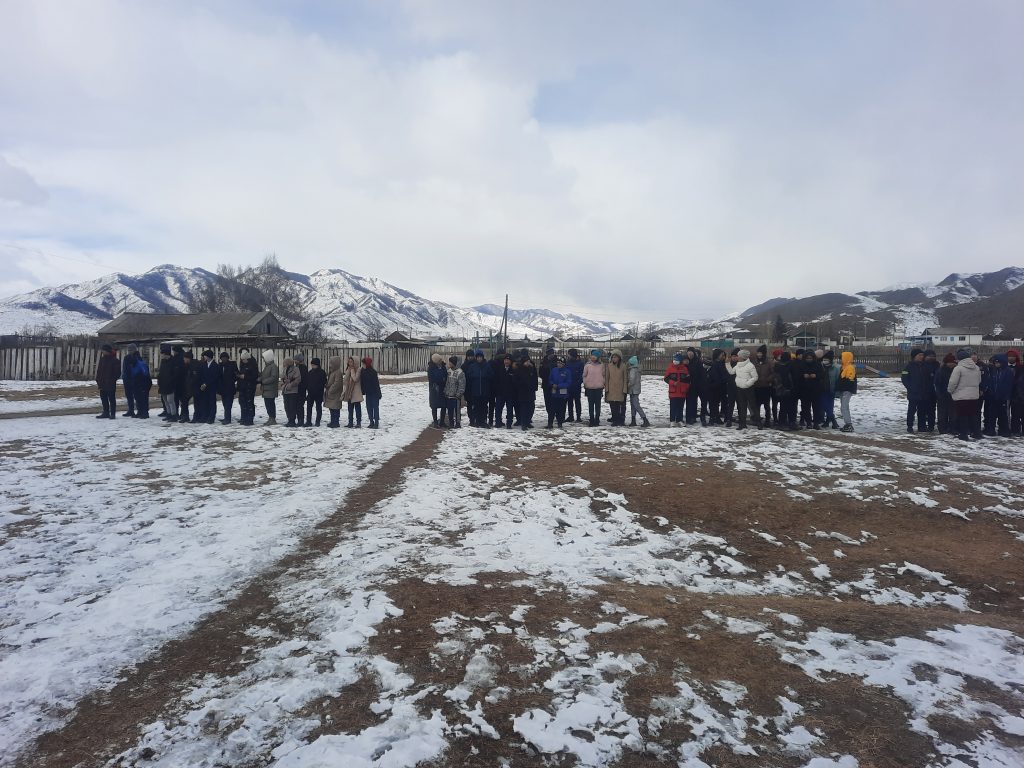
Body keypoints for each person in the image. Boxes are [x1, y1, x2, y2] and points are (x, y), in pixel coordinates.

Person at [948, 348, 982, 441]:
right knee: (973, 415)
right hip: (974, 396)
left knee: (962, 416)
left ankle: (963, 434)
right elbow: (979, 380)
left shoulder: (958, 368)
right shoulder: (976, 367)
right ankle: (977, 433)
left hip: (961, 396)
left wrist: (950, 391)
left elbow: (953, 382)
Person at [901, 348, 933, 434]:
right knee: (911, 411)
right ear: (914, 356)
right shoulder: (908, 367)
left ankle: (922, 427)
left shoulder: (925, 366)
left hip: (924, 394)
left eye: (922, 355)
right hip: (913, 394)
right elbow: (904, 379)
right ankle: (910, 426)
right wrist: (911, 388)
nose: (922, 356)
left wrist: (927, 389)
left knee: (922, 411)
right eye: (919, 355)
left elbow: (930, 378)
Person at [727, 349, 760, 430]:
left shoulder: (750, 365)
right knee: (742, 406)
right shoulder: (738, 365)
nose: (737, 357)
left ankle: (759, 423)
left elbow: (755, 377)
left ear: (743, 357)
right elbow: (731, 372)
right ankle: (742, 424)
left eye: (738, 356)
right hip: (739, 388)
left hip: (749, 389)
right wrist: (727, 363)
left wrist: (747, 384)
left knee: (753, 406)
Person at [982, 353, 1013, 437]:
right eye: (995, 362)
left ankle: (1004, 430)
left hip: (1003, 397)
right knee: (992, 414)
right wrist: (991, 392)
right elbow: (991, 382)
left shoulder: (1008, 371)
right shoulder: (994, 371)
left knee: (1003, 415)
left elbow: (1008, 385)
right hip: (993, 396)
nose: (996, 364)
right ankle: (991, 430)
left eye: (998, 362)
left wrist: (1005, 395)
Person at [466, 350, 493, 428]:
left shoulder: (487, 366)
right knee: (476, 407)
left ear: (482, 357)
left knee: (484, 407)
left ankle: (483, 421)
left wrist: (486, 377)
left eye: (480, 357)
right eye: (478, 357)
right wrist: (474, 377)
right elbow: (468, 376)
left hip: (485, 391)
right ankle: (477, 421)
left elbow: (492, 375)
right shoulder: (472, 366)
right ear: (476, 358)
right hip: (475, 391)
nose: (479, 359)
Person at [799, 349, 825, 429]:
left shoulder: (818, 364)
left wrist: (816, 376)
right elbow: (797, 375)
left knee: (816, 407)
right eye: (807, 358)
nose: (809, 360)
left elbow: (822, 375)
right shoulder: (802, 365)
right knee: (806, 407)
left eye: (810, 358)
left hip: (816, 389)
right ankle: (808, 422)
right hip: (804, 389)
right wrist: (803, 376)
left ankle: (816, 423)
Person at [773, 351, 797, 430]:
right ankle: (790, 422)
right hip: (790, 388)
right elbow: (794, 376)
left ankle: (783, 423)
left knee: (784, 407)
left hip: (782, 388)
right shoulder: (792, 364)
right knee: (791, 407)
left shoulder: (778, 365)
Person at [126, 347, 152, 418]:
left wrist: (142, 382)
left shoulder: (140, 364)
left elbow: (145, 374)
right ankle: (140, 412)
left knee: (143, 398)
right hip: (136, 382)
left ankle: (145, 413)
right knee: (137, 398)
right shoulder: (132, 365)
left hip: (143, 382)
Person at [95, 343, 120, 419]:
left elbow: (117, 373)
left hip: (110, 383)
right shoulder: (102, 360)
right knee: (104, 398)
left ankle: (113, 414)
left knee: (111, 399)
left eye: (103, 350)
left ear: (107, 351)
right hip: (102, 383)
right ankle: (106, 412)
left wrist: (112, 380)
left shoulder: (115, 360)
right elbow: (99, 371)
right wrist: (98, 380)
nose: (102, 351)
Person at [664, 352, 690, 426]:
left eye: (677, 360)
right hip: (673, 392)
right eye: (674, 359)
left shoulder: (684, 369)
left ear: (680, 361)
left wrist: (686, 387)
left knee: (680, 407)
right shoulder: (670, 368)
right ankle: (672, 421)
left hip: (682, 392)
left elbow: (688, 380)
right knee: (673, 407)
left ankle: (679, 420)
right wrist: (673, 383)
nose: (675, 361)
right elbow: (666, 378)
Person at [604, 349, 629, 426]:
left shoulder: (623, 366)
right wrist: (607, 388)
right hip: (611, 389)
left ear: (619, 358)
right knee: (613, 405)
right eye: (613, 357)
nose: (614, 359)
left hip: (620, 389)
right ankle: (615, 419)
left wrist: (625, 389)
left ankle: (621, 420)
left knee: (621, 405)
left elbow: (625, 378)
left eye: (615, 357)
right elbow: (607, 378)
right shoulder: (609, 366)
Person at [934, 353, 957, 434]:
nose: (951, 364)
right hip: (943, 395)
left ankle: (953, 428)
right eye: (949, 362)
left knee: (953, 413)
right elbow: (937, 383)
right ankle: (942, 428)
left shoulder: (957, 370)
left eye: (952, 362)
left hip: (954, 395)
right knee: (942, 413)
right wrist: (939, 394)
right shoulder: (940, 371)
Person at [547, 355, 572, 428]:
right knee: (552, 409)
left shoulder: (567, 371)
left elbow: (568, 382)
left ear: (564, 364)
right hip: (554, 392)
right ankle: (550, 423)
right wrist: (552, 384)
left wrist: (559, 386)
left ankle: (560, 422)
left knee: (561, 409)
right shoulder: (554, 370)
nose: (559, 364)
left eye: (560, 363)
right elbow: (550, 379)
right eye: (558, 363)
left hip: (563, 393)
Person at [582, 349, 606, 427]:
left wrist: (603, 383)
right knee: (591, 404)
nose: (593, 357)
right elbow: (584, 375)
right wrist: (585, 383)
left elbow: (604, 375)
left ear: (598, 357)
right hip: (589, 387)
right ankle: (591, 419)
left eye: (595, 356)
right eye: (592, 355)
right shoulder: (587, 365)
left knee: (598, 404)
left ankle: (597, 419)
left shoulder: (602, 366)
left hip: (599, 387)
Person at [515, 353, 539, 430]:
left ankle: (528, 421)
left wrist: (535, 387)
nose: (528, 363)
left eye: (529, 361)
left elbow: (535, 378)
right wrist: (522, 385)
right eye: (526, 361)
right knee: (524, 408)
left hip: (531, 391)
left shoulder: (532, 368)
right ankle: (523, 423)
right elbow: (516, 380)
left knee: (531, 408)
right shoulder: (519, 369)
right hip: (523, 392)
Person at [753, 345, 774, 427]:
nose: (759, 354)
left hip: (766, 387)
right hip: (756, 386)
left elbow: (773, 373)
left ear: (764, 354)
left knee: (766, 405)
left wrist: (768, 379)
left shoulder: (769, 362)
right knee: (757, 405)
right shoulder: (754, 362)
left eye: (760, 353)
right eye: (758, 353)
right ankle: (758, 420)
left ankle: (767, 420)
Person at [196, 350, 220, 424]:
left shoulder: (215, 365)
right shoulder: (203, 364)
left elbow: (215, 377)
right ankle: (204, 417)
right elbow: (201, 375)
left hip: (212, 387)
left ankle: (211, 418)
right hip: (204, 387)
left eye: (205, 356)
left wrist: (206, 383)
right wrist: (202, 384)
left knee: (212, 402)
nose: (204, 357)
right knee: (204, 402)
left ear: (208, 356)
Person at [236, 350, 259, 426]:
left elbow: (254, 377)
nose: (242, 361)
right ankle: (244, 418)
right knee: (243, 403)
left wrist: (245, 377)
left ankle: (249, 419)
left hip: (249, 387)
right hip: (243, 387)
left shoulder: (253, 365)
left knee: (249, 403)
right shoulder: (243, 365)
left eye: (243, 359)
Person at [626, 355, 650, 427]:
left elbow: (632, 380)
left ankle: (645, 419)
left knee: (636, 405)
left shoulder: (632, 370)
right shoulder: (637, 370)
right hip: (636, 389)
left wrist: (627, 385)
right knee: (633, 405)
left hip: (633, 390)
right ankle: (633, 420)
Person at [494, 354, 517, 428]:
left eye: (508, 360)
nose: (506, 362)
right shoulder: (500, 369)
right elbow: (496, 380)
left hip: (510, 393)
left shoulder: (513, 370)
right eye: (505, 360)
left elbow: (515, 382)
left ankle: (509, 424)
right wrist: (497, 390)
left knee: (510, 409)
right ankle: (498, 422)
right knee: (498, 408)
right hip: (500, 393)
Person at [683, 347, 706, 425]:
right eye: (688, 353)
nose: (690, 354)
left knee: (697, 402)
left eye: (691, 353)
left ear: (694, 353)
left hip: (698, 384)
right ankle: (689, 418)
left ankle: (696, 416)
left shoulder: (698, 361)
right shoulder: (685, 361)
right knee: (690, 402)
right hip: (689, 385)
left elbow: (700, 373)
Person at [443, 355, 466, 428]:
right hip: (448, 395)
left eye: (450, 362)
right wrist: (445, 391)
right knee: (450, 410)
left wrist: (459, 394)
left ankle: (458, 423)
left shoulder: (460, 372)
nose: (449, 363)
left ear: (454, 363)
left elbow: (462, 384)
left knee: (457, 410)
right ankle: (451, 423)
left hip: (456, 396)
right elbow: (446, 383)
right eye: (449, 362)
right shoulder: (448, 371)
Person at [837, 350, 857, 432]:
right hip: (843, 390)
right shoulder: (844, 367)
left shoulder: (850, 368)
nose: (840, 360)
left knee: (844, 407)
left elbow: (850, 379)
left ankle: (849, 424)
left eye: (841, 358)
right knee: (843, 407)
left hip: (847, 390)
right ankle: (847, 424)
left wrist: (844, 386)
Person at [157, 345, 178, 421]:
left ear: (166, 354)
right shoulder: (163, 362)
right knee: (165, 400)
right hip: (163, 384)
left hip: (170, 385)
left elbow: (175, 374)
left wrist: (170, 381)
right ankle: (168, 414)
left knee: (170, 401)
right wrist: (159, 380)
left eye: (162, 354)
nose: (161, 355)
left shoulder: (172, 361)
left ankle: (173, 415)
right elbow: (161, 372)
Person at [305, 357, 327, 427]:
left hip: (318, 393)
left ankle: (318, 421)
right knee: (309, 408)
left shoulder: (322, 372)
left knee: (318, 408)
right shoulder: (310, 372)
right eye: (312, 365)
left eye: (314, 365)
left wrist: (319, 389)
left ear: (317, 365)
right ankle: (308, 421)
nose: (312, 366)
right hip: (310, 393)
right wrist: (308, 388)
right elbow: (307, 382)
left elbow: (324, 382)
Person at [820, 351, 840, 429]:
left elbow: (838, 379)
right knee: (824, 405)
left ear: (830, 360)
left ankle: (827, 422)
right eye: (823, 359)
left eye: (826, 360)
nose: (824, 361)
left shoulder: (836, 368)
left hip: (831, 390)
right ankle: (834, 421)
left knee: (830, 407)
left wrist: (837, 390)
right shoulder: (821, 366)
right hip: (822, 389)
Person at [360, 357, 382, 429]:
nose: (362, 365)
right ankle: (371, 422)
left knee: (375, 408)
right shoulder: (363, 371)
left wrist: (379, 394)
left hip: (374, 393)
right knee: (369, 408)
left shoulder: (373, 372)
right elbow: (362, 383)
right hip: (368, 393)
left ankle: (376, 423)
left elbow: (376, 384)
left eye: (363, 364)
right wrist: (363, 391)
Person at [427, 353, 448, 427]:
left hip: (442, 388)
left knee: (444, 405)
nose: (440, 361)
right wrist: (441, 379)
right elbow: (432, 378)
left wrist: (442, 379)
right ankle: (435, 422)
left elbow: (445, 375)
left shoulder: (443, 366)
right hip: (434, 389)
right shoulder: (431, 367)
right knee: (434, 406)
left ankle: (442, 421)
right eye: (439, 360)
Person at [342, 356, 364, 427]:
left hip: (356, 391)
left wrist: (352, 371)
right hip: (349, 391)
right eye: (349, 362)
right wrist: (348, 371)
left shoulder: (359, 369)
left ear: (355, 362)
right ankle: (350, 422)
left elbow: (355, 379)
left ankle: (358, 422)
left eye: (351, 362)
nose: (350, 363)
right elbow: (345, 380)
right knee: (350, 408)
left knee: (357, 408)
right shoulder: (349, 369)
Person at [281, 355, 301, 427]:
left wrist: (291, 383)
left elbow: (298, 379)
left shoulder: (296, 369)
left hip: (293, 390)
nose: (284, 364)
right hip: (285, 390)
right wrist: (283, 382)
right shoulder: (284, 369)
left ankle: (292, 420)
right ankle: (289, 419)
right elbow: (282, 377)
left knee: (292, 406)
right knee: (286, 406)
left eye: (285, 362)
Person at [539, 347, 558, 427]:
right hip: (546, 385)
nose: (551, 355)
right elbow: (540, 373)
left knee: (554, 402)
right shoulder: (543, 362)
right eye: (549, 353)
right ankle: (550, 416)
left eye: (552, 353)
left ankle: (553, 419)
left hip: (555, 385)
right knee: (547, 402)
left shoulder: (557, 361)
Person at [259, 350, 279, 425]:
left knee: (270, 404)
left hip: (271, 389)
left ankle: (272, 418)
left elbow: (273, 377)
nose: (264, 360)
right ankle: (270, 418)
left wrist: (264, 381)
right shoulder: (267, 366)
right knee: (268, 404)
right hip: (266, 389)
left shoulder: (273, 367)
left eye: (264, 358)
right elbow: (264, 375)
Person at [218, 352, 238, 424]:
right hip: (222, 388)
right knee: (224, 403)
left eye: (225, 358)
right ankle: (226, 417)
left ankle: (227, 419)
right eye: (222, 358)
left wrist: (232, 381)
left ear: (227, 358)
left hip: (230, 387)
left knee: (228, 404)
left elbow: (236, 375)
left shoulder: (232, 364)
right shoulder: (220, 365)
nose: (223, 359)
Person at [922, 350, 940, 432]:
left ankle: (931, 425)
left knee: (932, 409)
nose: (931, 357)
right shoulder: (922, 365)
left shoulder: (937, 365)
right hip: (924, 390)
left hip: (934, 391)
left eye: (933, 356)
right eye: (929, 356)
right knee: (923, 409)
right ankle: (922, 425)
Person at [324, 356, 344, 428]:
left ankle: (336, 422)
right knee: (332, 408)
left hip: (335, 394)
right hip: (331, 394)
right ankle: (333, 421)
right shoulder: (332, 371)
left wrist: (331, 390)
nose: (330, 365)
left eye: (331, 363)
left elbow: (337, 383)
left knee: (336, 408)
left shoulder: (338, 372)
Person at [1007, 349, 1023, 437]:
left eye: (1013, 356)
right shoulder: (1003, 366)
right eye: (1009, 356)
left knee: (1016, 413)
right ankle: (1007, 428)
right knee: (1005, 413)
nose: (1011, 358)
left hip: (1017, 394)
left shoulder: (1020, 367)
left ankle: (1015, 430)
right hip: (1006, 393)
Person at [178, 350, 197, 423]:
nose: (184, 359)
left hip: (192, 387)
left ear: (188, 358)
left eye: (185, 358)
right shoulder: (186, 365)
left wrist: (190, 384)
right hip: (186, 387)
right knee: (184, 402)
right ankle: (185, 416)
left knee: (192, 403)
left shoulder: (193, 365)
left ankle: (192, 417)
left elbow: (194, 377)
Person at [566, 349, 585, 422]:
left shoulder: (580, 363)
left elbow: (582, 374)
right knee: (569, 402)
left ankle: (578, 416)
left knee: (577, 402)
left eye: (569, 354)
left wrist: (579, 382)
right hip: (569, 385)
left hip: (576, 385)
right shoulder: (567, 363)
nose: (568, 356)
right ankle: (571, 416)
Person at [121, 343, 138, 417]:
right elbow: (125, 368)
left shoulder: (137, 357)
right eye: (128, 350)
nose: (129, 351)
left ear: (134, 350)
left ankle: (139, 410)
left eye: (131, 350)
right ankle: (131, 410)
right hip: (127, 379)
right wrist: (124, 376)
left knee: (136, 395)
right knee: (129, 395)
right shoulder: (126, 357)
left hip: (135, 379)